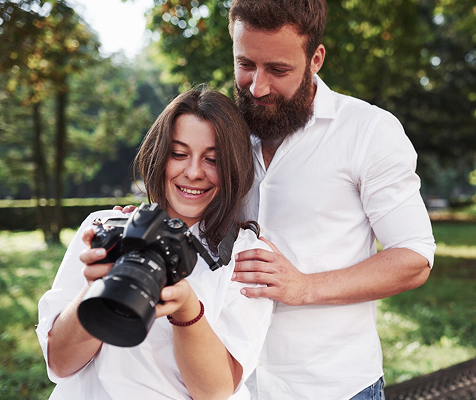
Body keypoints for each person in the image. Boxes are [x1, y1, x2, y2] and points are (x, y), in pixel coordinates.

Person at [227, 1, 437, 399]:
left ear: (316, 58)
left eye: (278, 69)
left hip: (335, 387)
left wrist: (304, 286)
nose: (258, 86)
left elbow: (413, 259)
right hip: (234, 386)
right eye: (246, 64)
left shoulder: (369, 131)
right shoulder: (223, 131)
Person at [36, 87, 274, 400]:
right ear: (159, 156)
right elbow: (60, 362)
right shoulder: (106, 227)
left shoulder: (246, 255)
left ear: (234, 167)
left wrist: (187, 309)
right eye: (179, 154)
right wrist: (99, 283)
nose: (193, 172)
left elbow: (214, 391)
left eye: (212, 159)